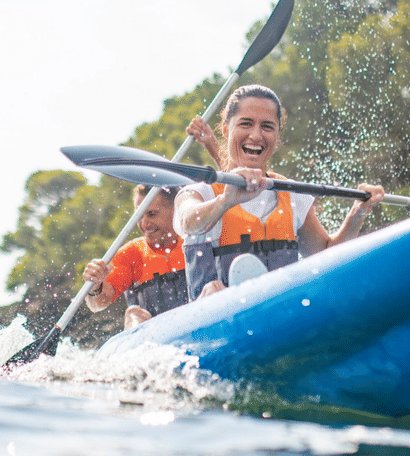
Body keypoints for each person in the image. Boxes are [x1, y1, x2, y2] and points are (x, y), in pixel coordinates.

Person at [173, 84, 385, 300]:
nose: (256, 135)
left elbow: (327, 254)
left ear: (277, 135)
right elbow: (189, 222)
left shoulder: (291, 194)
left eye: (267, 127)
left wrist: (357, 213)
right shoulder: (199, 193)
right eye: (246, 124)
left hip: (279, 316)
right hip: (216, 323)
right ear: (226, 130)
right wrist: (224, 202)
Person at [82, 120, 222, 329]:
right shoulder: (132, 255)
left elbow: (239, 189)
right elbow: (97, 303)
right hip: (155, 341)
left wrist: (212, 145)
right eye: (139, 215)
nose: (145, 223)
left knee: (214, 288)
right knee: (132, 313)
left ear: (175, 209)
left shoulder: (199, 239)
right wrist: (95, 286)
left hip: (201, 324)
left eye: (152, 214)